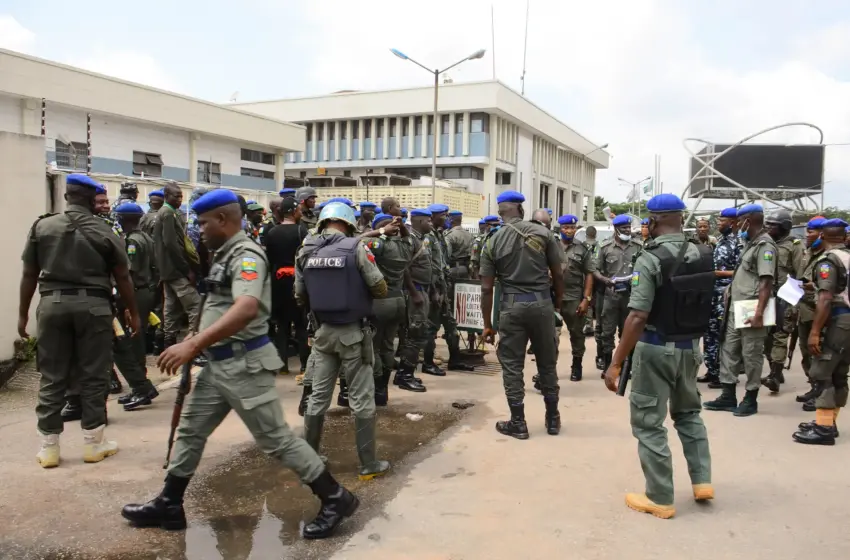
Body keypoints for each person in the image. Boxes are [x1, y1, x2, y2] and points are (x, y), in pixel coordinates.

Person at [122, 190, 358, 539]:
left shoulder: (247, 255)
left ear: (222, 220)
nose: (198, 229)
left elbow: (246, 307)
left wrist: (193, 344)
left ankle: (335, 497)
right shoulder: (223, 254)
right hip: (219, 365)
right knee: (191, 431)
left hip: (244, 363)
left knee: (276, 440)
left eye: (203, 222)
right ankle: (170, 502)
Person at [602, 192, 714, 519]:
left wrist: (616, 361)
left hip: (655, 349)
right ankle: (702, 482)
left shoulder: (650, 258)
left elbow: (637, 316)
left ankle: (660, 497)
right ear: (681, 218)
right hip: (690, 348)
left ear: (652, 220)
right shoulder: (702, 252)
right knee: (690, 414)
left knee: (649, 423)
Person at [20, 174, 140, 468]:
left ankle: (49, 448)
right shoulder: (105, 231)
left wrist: (23, 314)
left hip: (52, 305)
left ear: (67, 197)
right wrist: (133, 312)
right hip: (94, 307)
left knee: (52, 375)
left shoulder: (42, 226)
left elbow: (29, 274)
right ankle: (93, 444)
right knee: (94, 375)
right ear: (90, 199)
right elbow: (123, 276)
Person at [295, 202, 391, 481]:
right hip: (353, 335)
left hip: (323, 334)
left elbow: (300, 294)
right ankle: (368, 464)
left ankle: (311, 461)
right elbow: (379, 287)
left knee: (317, 398)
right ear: (349, 225)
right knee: (362, 400)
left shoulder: (305, 251)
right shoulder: (356, 248)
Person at [480, 191, 564, 439]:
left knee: (513, 367)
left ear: (500, 212)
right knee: (547, 364)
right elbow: (559, 275)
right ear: (520, 209)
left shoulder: (492, 241)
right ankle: (552, 419)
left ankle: (518, 422)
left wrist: (487, 324)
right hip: (542, 306)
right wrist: (556, 307)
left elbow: (486, 288)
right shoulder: (543, 233)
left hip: (512, 308)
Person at [703, 204, 776, 417]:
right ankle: (728, 395)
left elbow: (766, 281)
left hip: (752, 307)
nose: (738, 223)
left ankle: (750, 398)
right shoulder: (749, 243)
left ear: (750, 220)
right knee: (729, 349)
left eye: (741, 219)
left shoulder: (765, 246)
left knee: (751, 353)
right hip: (736, 306)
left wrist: (760, 313)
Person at [792, 218, 850, 445]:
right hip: (847, 320)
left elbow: (826, 299)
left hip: (838, 319)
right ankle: (829, 421)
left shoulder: (827, 261)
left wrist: (815, 331)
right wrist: (814, 286)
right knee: (839, 372)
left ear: (823, 237)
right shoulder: (846, 256)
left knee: (821, 371)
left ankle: (824, 429)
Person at [360, 212, 413, 405]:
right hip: (399, 301)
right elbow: (408, 238)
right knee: (389, 346)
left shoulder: (380, 245)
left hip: (380, 302)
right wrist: (400, 227)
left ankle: (378, 391)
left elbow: (355, 241)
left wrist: (380, 231)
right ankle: (384, 390)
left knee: (373, 347)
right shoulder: (405, 246)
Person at [113, 203, 160, 411]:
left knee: (133, 339)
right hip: (147, 290)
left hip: (137, 291)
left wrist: (125, 303)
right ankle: (139, 385)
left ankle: (141, 387)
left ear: (123, 219)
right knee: (137, 337)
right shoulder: (147, 238)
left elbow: (129, 274)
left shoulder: (132, 241)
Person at [424, 204, 474, 374]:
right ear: (434, 217)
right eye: (444, 215)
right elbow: (428, 266)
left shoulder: (440, 235)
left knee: (451, 326)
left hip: (444, 286)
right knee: (432, 327)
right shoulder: (428, 238)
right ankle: (428, 363)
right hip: (434, 289)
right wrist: (434, 291)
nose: (447, 218)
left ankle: (455, 359)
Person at [761, 208, 804, 393]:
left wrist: (794, 303)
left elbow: (800, 276)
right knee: (765, 336)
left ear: (785, 227)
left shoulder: (795, 245)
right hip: (765, 296)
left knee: (780, 335)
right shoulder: (765, 243)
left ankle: (774, 375)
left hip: (785, 296)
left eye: (773, 225)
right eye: (767, 223)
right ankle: (775, 369)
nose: (768, 227)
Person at [154, 183, 201, 350]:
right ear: (167, 196)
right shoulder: (167, 213)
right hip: (174, 269)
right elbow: (171, 244)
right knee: (195, 305)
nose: (180, 200)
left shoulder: (168, 212)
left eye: (181, 196)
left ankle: (167, 344)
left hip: (168, 270)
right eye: (176, 196)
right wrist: (186, 269)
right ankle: (193, 344)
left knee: (171, 308)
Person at [265, 197, 309, 375]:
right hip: (297, 280)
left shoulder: (272, 232)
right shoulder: (302, 230)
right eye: (298, 209)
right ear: (293, 211)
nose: (300, 212)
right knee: (301, 324)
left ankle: (282, 365)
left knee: (282, 325)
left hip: (278, 282)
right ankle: (305, 365)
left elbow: (270, 260)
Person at [595, 215, 643, 373]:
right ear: (616, 230)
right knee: (607, 332)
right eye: (624, 228)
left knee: (628, 332)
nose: (627, 231)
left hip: (631, 296)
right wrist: (605, 280)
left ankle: (626, 367)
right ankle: (608, 365)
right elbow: (595, 270)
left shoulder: (638, 246)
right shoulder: (605, 247)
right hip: (611, 296)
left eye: (629, 228)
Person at [699, 208, 739, 386]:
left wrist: (716, 273)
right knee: (711, 334)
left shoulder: (738, 243)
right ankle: (712, 371)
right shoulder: (720, 242)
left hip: (727, 296)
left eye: (722, 221)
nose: (718, 224)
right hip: (713, 296)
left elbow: (740, 272)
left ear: (733, 222)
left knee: (724, 336)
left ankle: (725, 374)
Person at [394, 208, 433, 392]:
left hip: (422, 291)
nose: (431, 224)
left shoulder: (419, 240)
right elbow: (405, 268)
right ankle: (405, 375)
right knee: (415, 333)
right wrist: (415, 293)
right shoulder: (410, 240)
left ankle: (405, 373)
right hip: (415, 292)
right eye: (428, 221)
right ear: (418, 221)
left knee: (418, 333)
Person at [795, 217, 829, 408]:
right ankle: (814, 387)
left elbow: (830, 288)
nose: (807, 236)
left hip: (819, 311)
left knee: (820, 353)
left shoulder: (828, 257)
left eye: (811, 232)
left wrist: (813, 287)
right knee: (806, 351)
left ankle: (823, 393)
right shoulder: (807, 253)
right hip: (804, 309)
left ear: (821, 234)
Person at [557, 214, 595, 381]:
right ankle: (546, 370)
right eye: (566, 227)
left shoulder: (582, 249)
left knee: (577, 334)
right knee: (549, 335)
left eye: (572, 228)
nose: (569, 231)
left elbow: (589, 274)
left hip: (574, 297)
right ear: (560, 228)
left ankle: (577, 365)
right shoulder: (551, 246)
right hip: (554, 298)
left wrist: (586, 299)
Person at [470, 215, 500, 279]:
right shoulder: (479, 241)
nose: (497, 227)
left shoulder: (500, 239)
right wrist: (477, 281)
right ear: (487, 226)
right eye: (494, 225)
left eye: (498, 225)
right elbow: (475, 264)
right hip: (485, 276)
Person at [583, 225, 599, 337]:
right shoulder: (600, 246)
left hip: (585, 277)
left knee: (586, 299)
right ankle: (595, 324)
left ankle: (588, 324)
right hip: (597, 276)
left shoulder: (582, 245)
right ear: (595, 234)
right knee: (593, 300)